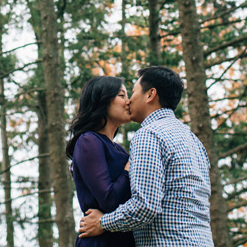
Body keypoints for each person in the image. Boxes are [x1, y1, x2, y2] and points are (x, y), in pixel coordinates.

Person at [78, 66, 213, 246]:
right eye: (123, 95)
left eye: (132, 93)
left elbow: (145, 206)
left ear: (150, 95)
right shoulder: (194, 141)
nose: (129, 101)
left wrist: (103, 222)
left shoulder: (149, 135)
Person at [66, 76, 136, 247]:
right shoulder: (88, 141)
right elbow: (110, 200)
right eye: (122, 95)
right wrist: (131, 164)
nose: (129, 102)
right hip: (100, 241)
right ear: (102, 100)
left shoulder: (118, 149)